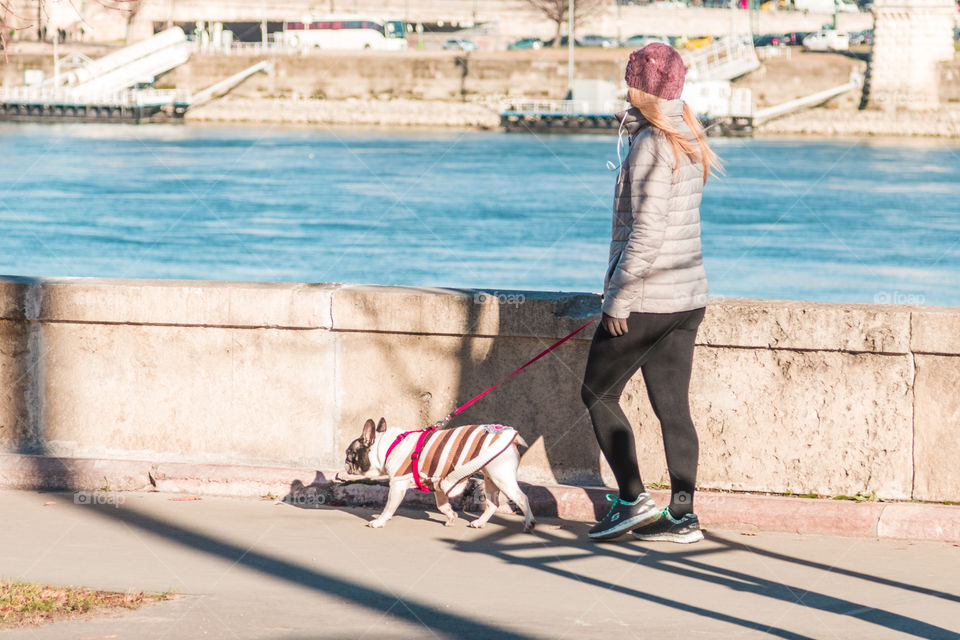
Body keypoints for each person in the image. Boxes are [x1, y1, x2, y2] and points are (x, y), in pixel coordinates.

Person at [580, 43, 722, 544]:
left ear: (642, 88)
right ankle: (683, 517)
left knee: (597, 393)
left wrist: (619, 299)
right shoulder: (687, 133)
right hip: (687, 299)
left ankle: (632, 499)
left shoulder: (650, 144)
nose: (625, 89)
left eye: (630, 81)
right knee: (673, 408)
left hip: (647, 299)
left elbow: (646, 233)